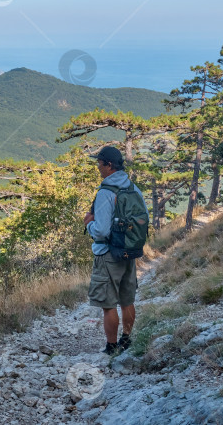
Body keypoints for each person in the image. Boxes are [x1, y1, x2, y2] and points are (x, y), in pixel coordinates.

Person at [83, 146, 145, 355]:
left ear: (109, 165)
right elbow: (142, 217)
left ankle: (111, 347)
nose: (98, 167)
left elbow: (100, 230)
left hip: (108, 254)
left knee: (108, 304)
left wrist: (88, 224)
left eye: (99, 163)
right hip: (129, 252)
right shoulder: (133, 188)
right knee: (127, 300)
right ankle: (126, 341)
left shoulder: (105, 193)